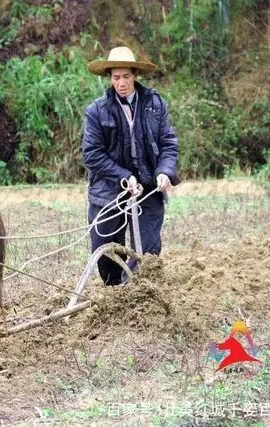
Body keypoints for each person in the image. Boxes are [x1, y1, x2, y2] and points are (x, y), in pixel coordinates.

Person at [81, 46, 180, 286]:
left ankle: (138, 291)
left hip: (148, 187)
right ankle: (115, 291)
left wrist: (164, 172)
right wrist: (123, 176)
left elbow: (168, 143)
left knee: (148, 251)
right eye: (116, 77)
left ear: (135, 75)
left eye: (126, 76)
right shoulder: (97, 110)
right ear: (110, 78)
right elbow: (92, 154)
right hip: (108, 190)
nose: (121, 82)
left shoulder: (154, 104)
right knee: (105, 250)